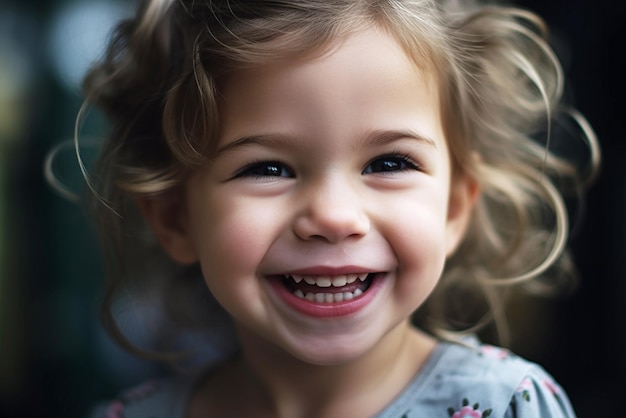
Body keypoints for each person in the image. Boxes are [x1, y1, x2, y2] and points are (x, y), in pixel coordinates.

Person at [80, 0, 599, 416]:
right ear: (176, 217)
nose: (333, 216)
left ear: (454, 209)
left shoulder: (506, 405)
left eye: (390, 162)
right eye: (268, 168)